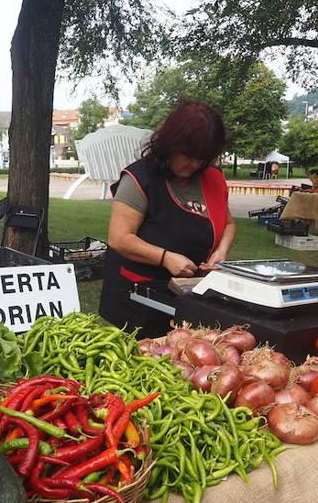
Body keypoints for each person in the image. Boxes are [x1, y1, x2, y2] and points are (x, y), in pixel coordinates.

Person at [99, 101, 236, 337]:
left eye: (202, 158)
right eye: (187, 154)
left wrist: (220, 253)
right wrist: (165, 258)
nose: (193, 164)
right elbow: (119, 238)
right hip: (138, 297)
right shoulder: (139, 178)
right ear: (169, 144)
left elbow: (229, 224)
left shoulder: (211, 179)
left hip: (188, 294)